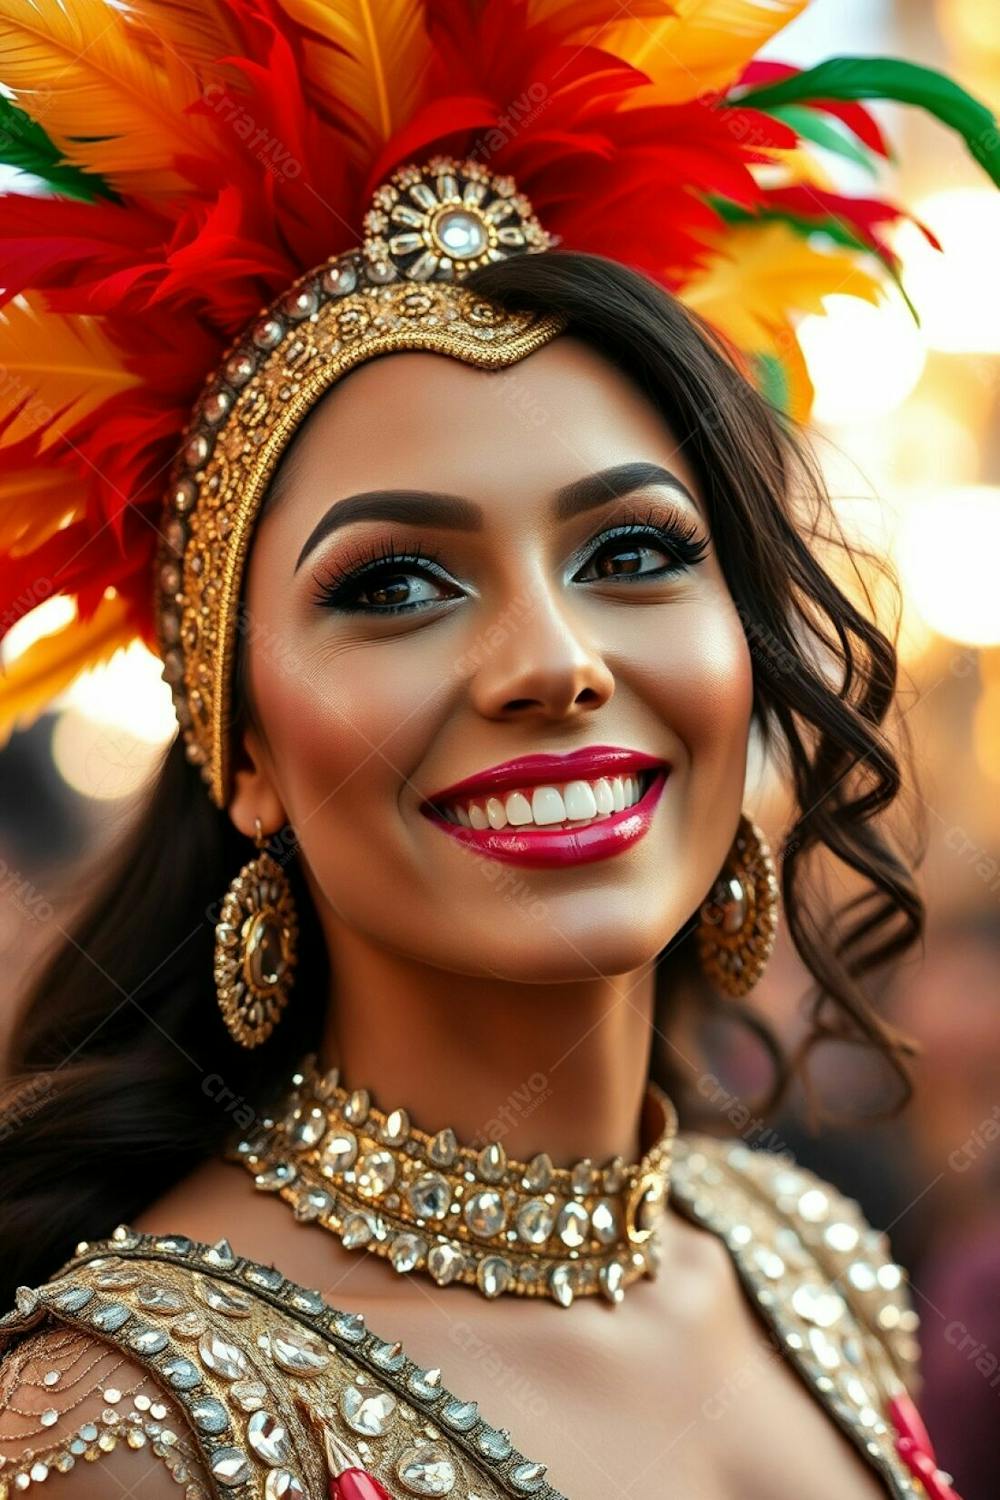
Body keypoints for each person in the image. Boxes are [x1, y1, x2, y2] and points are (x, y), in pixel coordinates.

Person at [0, 3, 996, 1497]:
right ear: (244, 752)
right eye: (396, 582)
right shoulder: (123, 1426)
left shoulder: (813, 1266)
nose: (554, 661)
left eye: (635, 553)